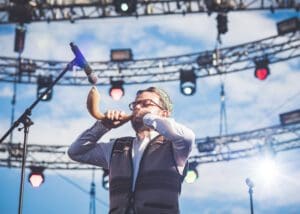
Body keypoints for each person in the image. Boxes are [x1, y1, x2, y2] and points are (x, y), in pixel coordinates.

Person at [68, 86, 195, 214]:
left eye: (146, 104)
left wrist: (147, 117)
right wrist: (103, 125)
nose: (137, 108)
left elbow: (187, 137)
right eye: (135, 105)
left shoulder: (173, 145)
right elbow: (77, 152)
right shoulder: (117, 147)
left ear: (164, 114)